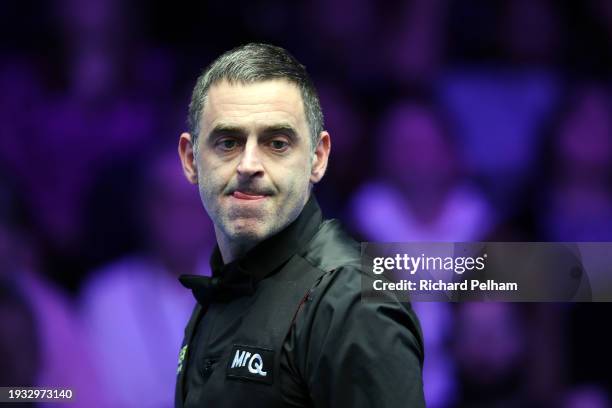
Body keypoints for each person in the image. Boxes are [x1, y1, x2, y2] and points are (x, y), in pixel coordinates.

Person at [175, 43, 425, 407]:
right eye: (228, 142)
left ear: (317, 159)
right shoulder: (223, 285)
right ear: (190, 159)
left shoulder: (350, 303)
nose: (248, 164)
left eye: (277, 143)